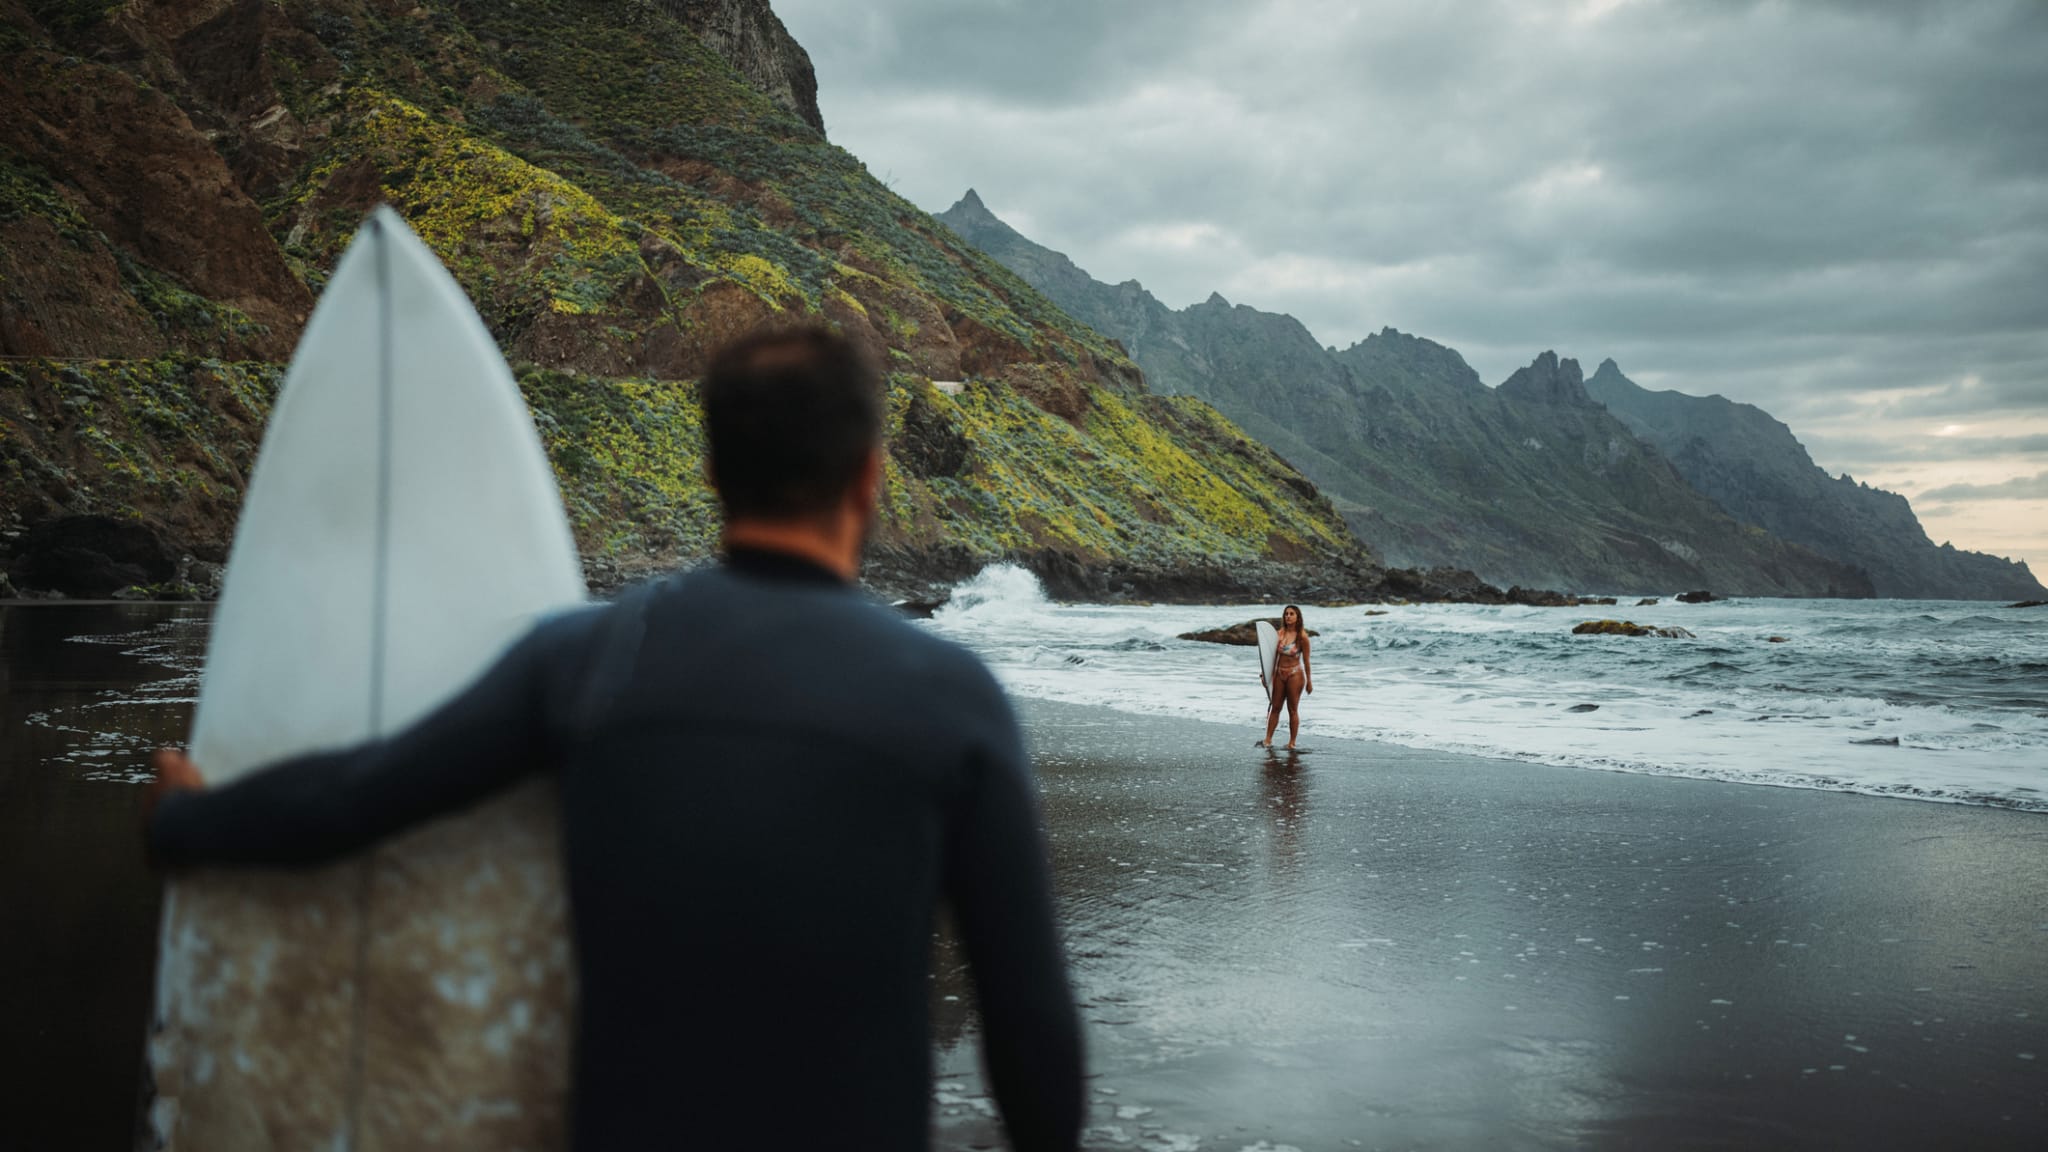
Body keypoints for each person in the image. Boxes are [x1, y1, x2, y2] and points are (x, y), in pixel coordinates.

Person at [143, 326, 1084, 1151]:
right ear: (870, 473)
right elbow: (1030, 1025)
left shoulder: (592, 655)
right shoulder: (953, 698)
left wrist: (192, 823)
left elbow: (362, 795)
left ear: (713, 472)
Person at [1257, 604, 1312, 750]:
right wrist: (1265, 674)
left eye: (1291, 614)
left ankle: (1292, 743)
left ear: (1297, 617)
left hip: (1295, 674)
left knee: (1292, 710)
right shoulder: (1279, 634)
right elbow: (1271, 656)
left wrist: (1309, 682)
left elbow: (1306, 661)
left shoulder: (1302, 637)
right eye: (1286, 614)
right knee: (1275, 707)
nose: (1288, 616)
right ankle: (1267, 739)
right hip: (1279, 674)